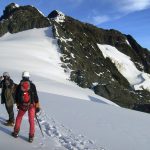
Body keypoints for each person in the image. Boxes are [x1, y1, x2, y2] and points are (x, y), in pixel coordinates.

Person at [12, 71, 40, 143]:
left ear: (22, 76)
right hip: (31, 105)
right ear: (28, 77)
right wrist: (37, 106)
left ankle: (15, 133)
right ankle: (31, 137)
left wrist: (18, 104)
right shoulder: (32, 85)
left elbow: (16, 97)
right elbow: (35, 96)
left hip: (22, 106)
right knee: (31, 121)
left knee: (19, 118)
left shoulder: (19, 86)